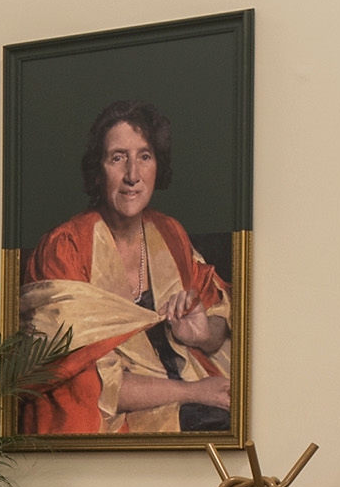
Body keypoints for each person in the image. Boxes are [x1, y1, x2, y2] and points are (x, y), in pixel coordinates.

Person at [17, 98, 232, 436]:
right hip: (114, 422)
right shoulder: (66, 248)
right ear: (97, 170)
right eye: (118, 158)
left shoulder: (169, 233)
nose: (133, 175)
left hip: (193, 397)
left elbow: (220, 314)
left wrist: (204, 334)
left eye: (144, 156)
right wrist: (192, 392)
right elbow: (81, 383)